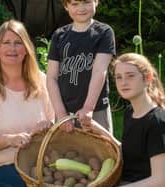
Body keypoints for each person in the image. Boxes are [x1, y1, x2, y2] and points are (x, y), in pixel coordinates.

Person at [0, 19, 55, 187]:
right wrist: (10, 140)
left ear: (26, 49)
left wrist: (47, 125)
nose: (12, 48)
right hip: (2, 167)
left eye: (18, 43)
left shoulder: (41, 81)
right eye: (6, 43)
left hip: (39, 163)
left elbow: (54, 121)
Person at [85, 53, 165, 186]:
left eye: (130, 76)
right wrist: (98, 129)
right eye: (119, 77)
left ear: (147, 78)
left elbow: (159, 180)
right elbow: (131, 151)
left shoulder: (157, 122)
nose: (123, 82)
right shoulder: (130, 112)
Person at [46, 0, 116, 133]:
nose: (81, 8)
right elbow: (51, 78)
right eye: (74, 4)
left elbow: (99, 71)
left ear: (96, 2)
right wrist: (61, 114)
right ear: (66, 6)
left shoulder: (104, 32)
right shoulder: (59, 35)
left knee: (102, 151)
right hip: (65, 111)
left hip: (95, 109)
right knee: (66, 152)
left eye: (86, 2)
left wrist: (88, 108)